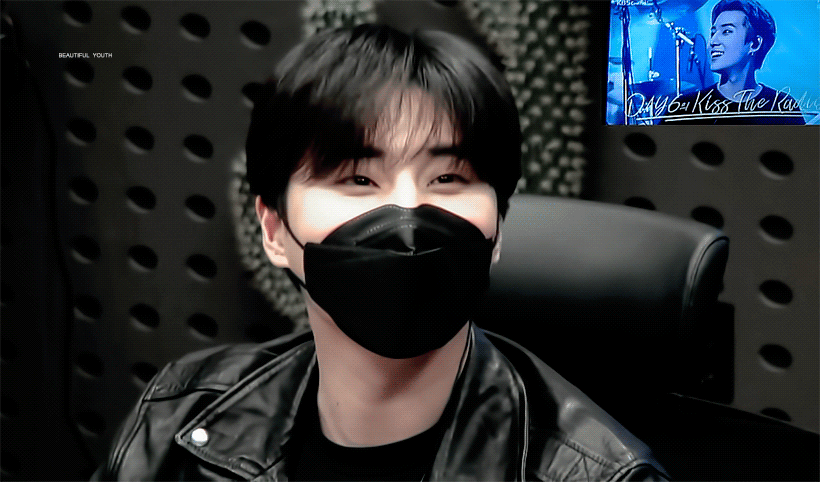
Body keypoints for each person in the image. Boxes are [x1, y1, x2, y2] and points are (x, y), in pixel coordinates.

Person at [92, 24, 669, 481]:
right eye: (358, 179)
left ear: (499, 228)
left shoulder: (599, 476)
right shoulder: (179, 414)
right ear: (273, 229)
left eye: (448, 178)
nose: (407, 217)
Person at [660, 0, 805, 124]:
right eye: (713, 33)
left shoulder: (781, 108)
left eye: (726, 31)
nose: (712, 41)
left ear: (754, 44)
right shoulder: (685, 108)